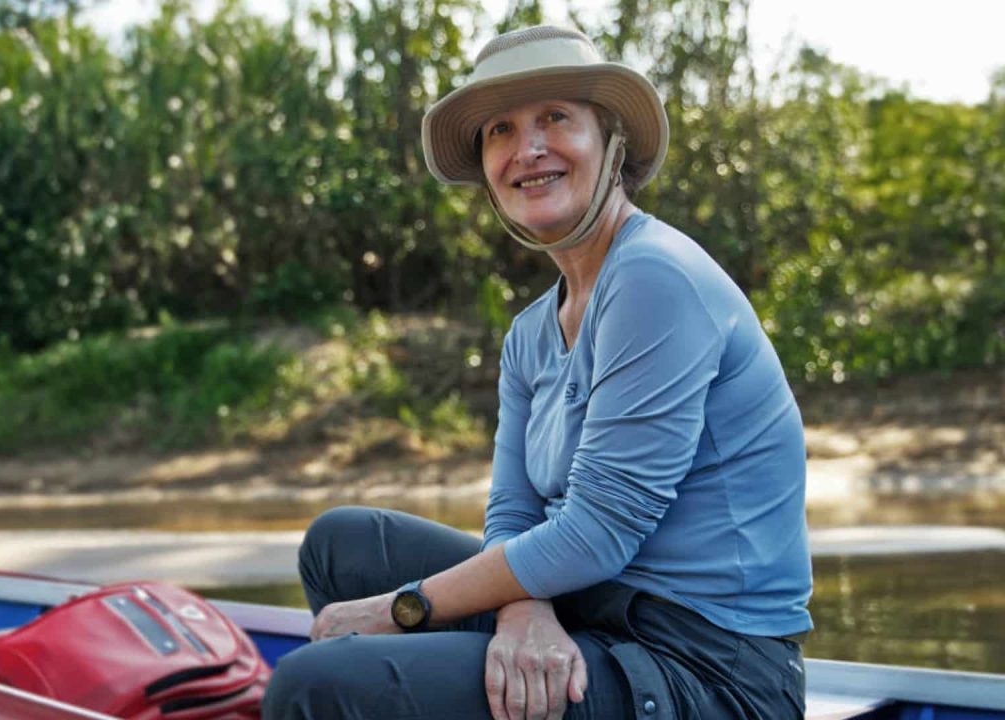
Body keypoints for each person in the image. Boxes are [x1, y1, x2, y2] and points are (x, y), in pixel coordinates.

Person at [262, 24, 812, 720]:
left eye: (555, 118)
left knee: (312, 687)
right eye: (501, 129)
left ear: (612, 142)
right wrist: (524, 614)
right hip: (597, 609)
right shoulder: (529, 334)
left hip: (708, 669)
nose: (528, 149)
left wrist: (401, 611)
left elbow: (597, 532)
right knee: (340, 546)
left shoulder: (654, 276)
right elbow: (515, 513)